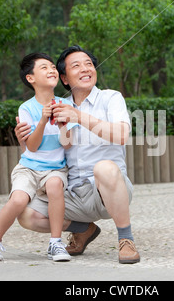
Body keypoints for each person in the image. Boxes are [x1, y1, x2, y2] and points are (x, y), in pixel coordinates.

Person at [15, 46, 140, 264]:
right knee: (26, 215)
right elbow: (41, 154)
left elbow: (122, 135)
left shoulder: (111, 98)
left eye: (89, 64)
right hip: (71, 195)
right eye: (76, 66)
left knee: (104, 168)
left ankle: (126, 239)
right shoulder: (56, 107)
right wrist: (23, 142)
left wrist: (78, 116)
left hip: (107, 191)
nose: (85, 69)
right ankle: (84, 229)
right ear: (64, 78)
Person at [0, 52, 78, 262]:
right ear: (30, 78)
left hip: (55, 168)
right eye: (44, 67)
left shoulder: (65, 104)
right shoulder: (26, 108)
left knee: (55, 186)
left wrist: (62, 125)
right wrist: (43, 121)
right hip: (29, 167)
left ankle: (55, 243)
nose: (52, 70)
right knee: (18, 200)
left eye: (53, 67)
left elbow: (68, 143)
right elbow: (32, 147)